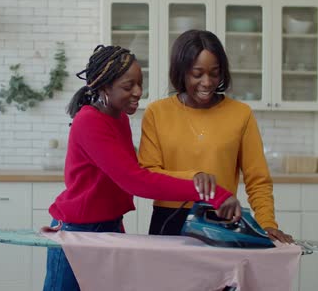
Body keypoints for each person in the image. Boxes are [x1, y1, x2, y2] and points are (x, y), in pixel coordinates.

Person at [43, 45, 242, 291]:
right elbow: (135, 180)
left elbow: (131, 171)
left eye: (140, 83)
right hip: (78, 230)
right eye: (128, 86)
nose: (138, 92)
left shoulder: (119, 117)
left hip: (109, 225)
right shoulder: (89, 121)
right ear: (104, 86)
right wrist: (210, 192)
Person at [138, 29, 294, 243]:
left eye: (214, 72)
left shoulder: (241, 114)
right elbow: (149, 172)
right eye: (197, 73)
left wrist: (267, 224)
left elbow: (257, 180)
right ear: (181, 71)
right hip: (169, 219)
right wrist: (194, 178)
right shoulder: (157, 112)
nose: (207, 82)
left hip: (221, 219)